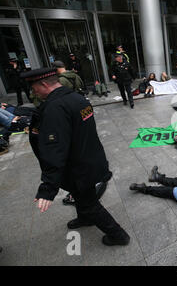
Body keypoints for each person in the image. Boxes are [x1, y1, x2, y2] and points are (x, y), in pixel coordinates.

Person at [21, 67, 130, 246]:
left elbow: (54, 149)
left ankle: (118, 235)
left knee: (89, 203)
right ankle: (85, 218)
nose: (34, 93)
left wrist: (48, 188)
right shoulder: (77, 98)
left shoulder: (55, 108)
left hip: (78, 167)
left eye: (34, 89)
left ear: (43, 84)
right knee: (81, 196)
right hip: (90, 159)